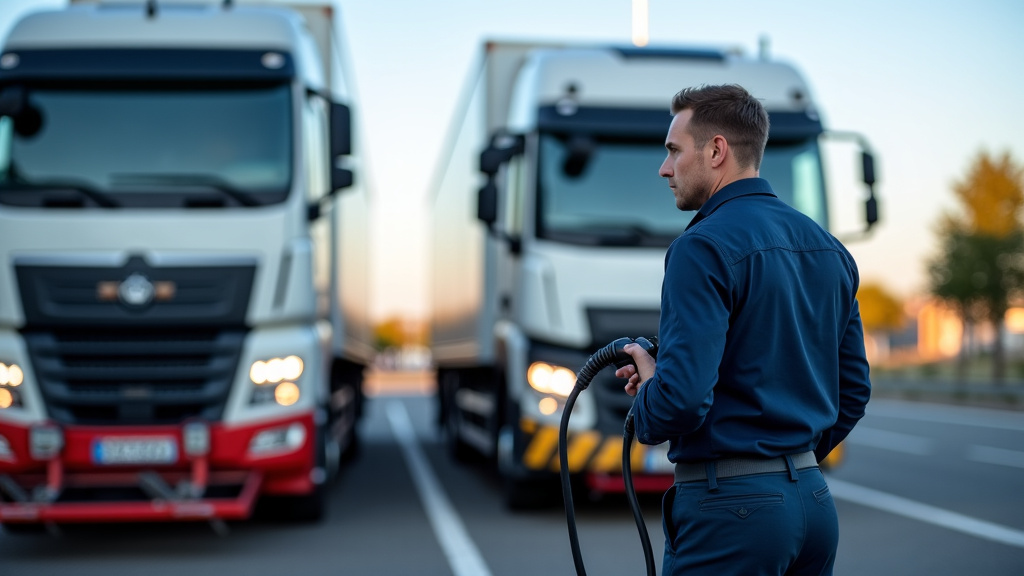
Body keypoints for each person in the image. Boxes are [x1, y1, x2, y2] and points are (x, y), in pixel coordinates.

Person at [615, 84, 871, 576]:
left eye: (673, 150)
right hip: (814, 503)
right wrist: (785, 463)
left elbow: (681, 401)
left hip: (731, 514)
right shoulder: (829, 249)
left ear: (716, 151)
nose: (664, 169)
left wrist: (650, 392)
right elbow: (853, 392)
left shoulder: (700, 247)